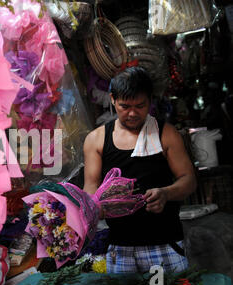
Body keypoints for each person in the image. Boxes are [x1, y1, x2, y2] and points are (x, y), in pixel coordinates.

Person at [83, 67, 197, 273]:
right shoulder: (96, 139)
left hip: (164, 244)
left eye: (140, 105)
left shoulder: (166, 133)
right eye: (125, 106)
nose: (133, 113)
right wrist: (95, 208)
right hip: (120, 248)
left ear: (150, 100)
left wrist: (166, 193)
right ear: (112, 99)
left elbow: (188, 179)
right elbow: (90, 189)